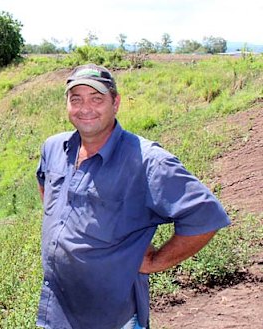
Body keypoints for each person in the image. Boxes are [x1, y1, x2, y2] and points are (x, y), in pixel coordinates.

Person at [35, 64, 231, 329]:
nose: (85, 108)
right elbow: (45, 185)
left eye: (97, 98)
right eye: (76, 99)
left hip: (113, 316)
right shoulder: (55, 147)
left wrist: (156, 260)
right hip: (56, 309)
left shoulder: (147, 161)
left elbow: (206, 216)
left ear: (115, 103)